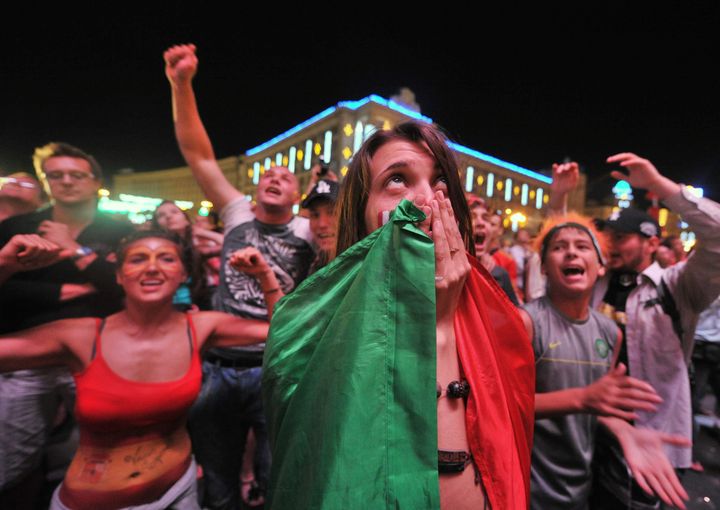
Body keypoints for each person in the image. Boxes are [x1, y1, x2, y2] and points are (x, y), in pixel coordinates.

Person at [263, 121, 535, 509]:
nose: (425, 198)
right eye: (397, 180)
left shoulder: (504, 326)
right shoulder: (308, 327)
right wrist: (437, 329)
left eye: (442, 184)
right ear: (363, 210)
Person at [0, 231, 271, 510]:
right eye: (138, 259)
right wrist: (4, 264)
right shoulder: (82, 336)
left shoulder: (200, 328)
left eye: (166, 259)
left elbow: (287, 329)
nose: (152, 267)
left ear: (182, 275)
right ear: (119, 275)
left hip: (180, 491)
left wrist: (264, 276)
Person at [164, 43, 315, 509]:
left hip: (276, 368)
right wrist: (182, 84)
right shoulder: (235, 214)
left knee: (279, 477)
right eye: (267, 174)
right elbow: (197, 153)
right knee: (220, 481)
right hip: (221, 369)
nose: (274, 177)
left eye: (285, 177)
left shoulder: (309, 230)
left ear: (300, 193)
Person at [550, 153, 720, 508]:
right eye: (608, 236)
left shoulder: (678, 287)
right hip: (590, 428)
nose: (610, 244)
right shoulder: (594, 282)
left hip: (652, 435)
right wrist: (559, 199)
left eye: (623, 237)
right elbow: (558, 256)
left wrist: (661, 187)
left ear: (652, 243)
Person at [520, 213, 689, 510]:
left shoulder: (610, 332)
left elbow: (597, 406)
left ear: (600, 267)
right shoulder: (526, 322)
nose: (571, 251)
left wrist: (624, 429)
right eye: (559, 247)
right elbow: (502, 408)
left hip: (579, 492)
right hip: (526, 491)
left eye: (583, 246)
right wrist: (582, 398)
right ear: (544, 266)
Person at [0, 142, 133, 508]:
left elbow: (127, 286)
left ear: (95, 182)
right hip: (25, 359)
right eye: (56, 176)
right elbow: (5, 292)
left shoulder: (119, 228)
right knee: (12, 464)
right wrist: (71, 287)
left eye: (77, 175)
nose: (66, 182)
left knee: (102, 455)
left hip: (97, 357)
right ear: (46, 182)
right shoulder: (17, 227)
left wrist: (73, 248)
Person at [152, 200, 210, 309]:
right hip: (164, 308)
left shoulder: (196, 247)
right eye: (161, 215)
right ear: (157, 224)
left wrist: (202, 232)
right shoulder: (154, 249)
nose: (168, 216)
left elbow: (231, 245)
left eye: (174, 212)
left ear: (186, 220)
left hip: (195, 307)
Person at [467, 194, 520, 305]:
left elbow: (514, 316)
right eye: (471, 216)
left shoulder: (499, 274)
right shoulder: (440, 271)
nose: (480, 223)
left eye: (486, 218)